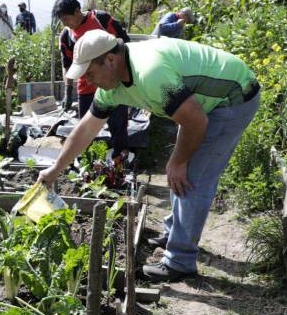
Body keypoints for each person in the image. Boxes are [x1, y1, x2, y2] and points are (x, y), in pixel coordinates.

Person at [37, 30, 260, 283]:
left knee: (191, 177)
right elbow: (87, 129)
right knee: (180, 171)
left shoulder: (150, 74)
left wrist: (178, 161)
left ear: (110, 60)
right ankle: (175, 233)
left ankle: (180, 262)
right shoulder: (112, 85)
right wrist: (54, 169)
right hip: (199, 103)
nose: (88, 82)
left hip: (232, 96)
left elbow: (196, 120)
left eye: (90, 73)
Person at [53, 0, 130, 163]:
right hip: (86, 87)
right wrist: (68, 91)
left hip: (112, 84)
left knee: (118, 125)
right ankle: (87, 165)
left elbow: (125, 43)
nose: (65, 23)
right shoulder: (66, 36)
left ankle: (120, 163)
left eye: (67, 18)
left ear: (77, 11)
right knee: (86, 127)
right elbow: (66, 64)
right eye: (62, 20)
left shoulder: (101, 19)